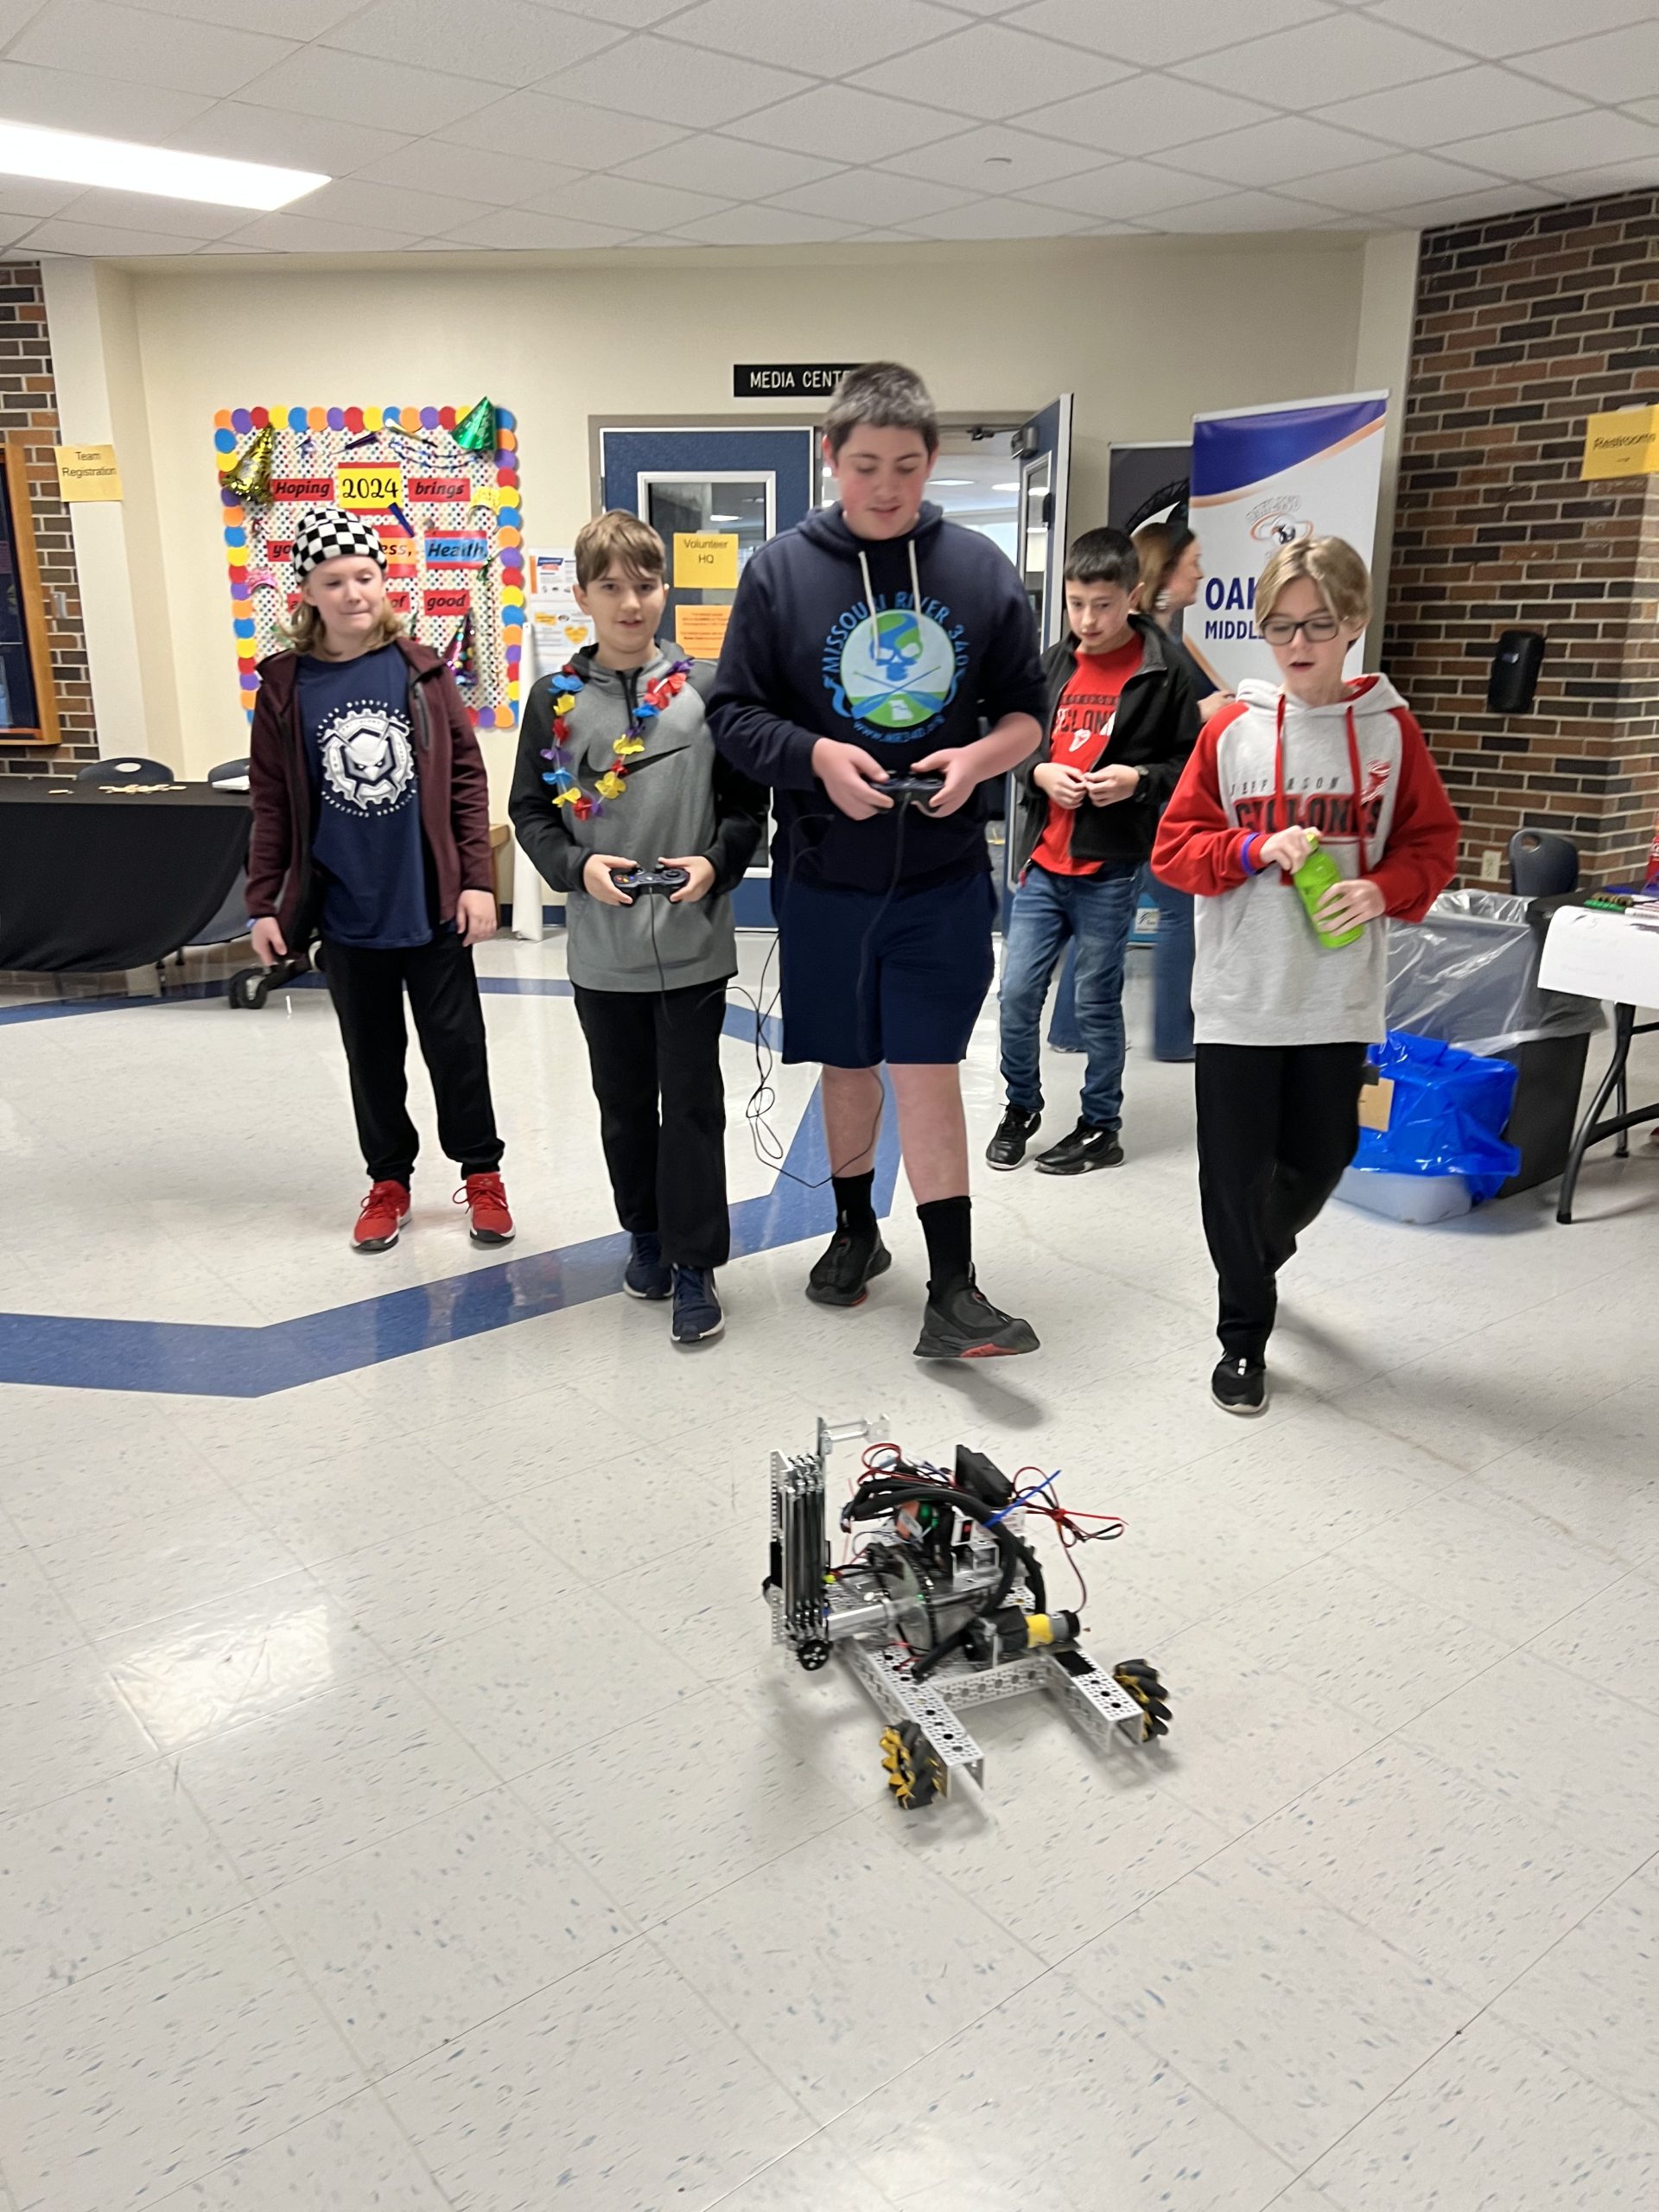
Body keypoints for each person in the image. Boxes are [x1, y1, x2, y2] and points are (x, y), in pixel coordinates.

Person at [709, 360, 1047, 1361]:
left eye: (906, 465)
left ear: (933, 459)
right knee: (849, 1064)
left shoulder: (981, 570)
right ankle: (856, 1231)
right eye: (865, 466)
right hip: (825, 870)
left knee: (927, 1066)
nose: (887, 487)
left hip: (942, 874)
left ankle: (957, 1289)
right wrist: (816, 756)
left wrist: (980, 758)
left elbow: (1028, 713)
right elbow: (733, 715)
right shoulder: (779, 571)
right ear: (831, 459)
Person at [1152, 535, 1459, 1416]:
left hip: (1339, 999)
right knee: (1232, 1173)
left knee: (1327, 1154)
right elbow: (1175, 851)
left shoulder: (1392, 734)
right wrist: (1252, 845)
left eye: (1318, 624)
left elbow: (1432, 847)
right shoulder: (1232, 732)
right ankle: (1242, 1334)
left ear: (1354, 622)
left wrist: (1380, 888)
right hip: (1242, 999)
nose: (1298, 643)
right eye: (1281, 625)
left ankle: (1254, 1252)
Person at [510, 511, 765, 1345]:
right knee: (623, 1106)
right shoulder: (554, 703)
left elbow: (744, 807)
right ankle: (646, 1235)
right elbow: (531, 814)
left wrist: (714, 865)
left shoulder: (708, 692)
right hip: (602, 949)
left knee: (691, 1108)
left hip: (692, 943)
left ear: (665, 590)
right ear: (582, 595)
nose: (630, 603)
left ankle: (697, 1264)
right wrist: (576, 868)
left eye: (645, 585)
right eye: (611, 587)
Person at [247, 506, 512, 1255]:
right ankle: (389, 1180)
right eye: (334, 580)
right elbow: (270, 802)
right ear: (307, 592)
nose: (353, 592)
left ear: (384, 583)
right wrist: (265, 899)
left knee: (458, 1048)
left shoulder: (421, 671)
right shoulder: (285, 687)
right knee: (372, 1056)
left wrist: (475, 880)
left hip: (428, 904)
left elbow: (466, 779)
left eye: (365, 576)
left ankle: (482, 1174)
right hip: (346, 909)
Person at [988, 528, 1198, 1175]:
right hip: (1042, 863)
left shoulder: (1165, 671)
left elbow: (1187, 760)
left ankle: (1100, 1124)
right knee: (1017, 995)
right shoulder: (1051, 664)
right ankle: (1020, 1105)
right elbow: (1015, 739)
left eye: (1102, 605)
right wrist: (1038, 770)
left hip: (1110, 868)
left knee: (1095, 1000)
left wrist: (1138, 781)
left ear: (1133, 596)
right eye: (1076, 603)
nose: (1087, 619)